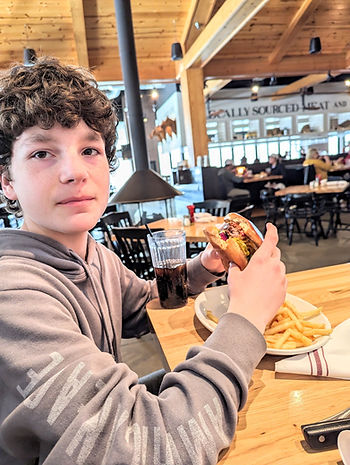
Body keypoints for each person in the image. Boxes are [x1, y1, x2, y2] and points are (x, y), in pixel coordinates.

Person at [0, 57, 286, 465]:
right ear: (7, 181)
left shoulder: (93, 254)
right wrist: (247, 319)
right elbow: (154, 449)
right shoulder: (12, 297)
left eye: (89, 149)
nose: (74, 171)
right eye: (43, 152)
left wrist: (205, 266)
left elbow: (140, 306)